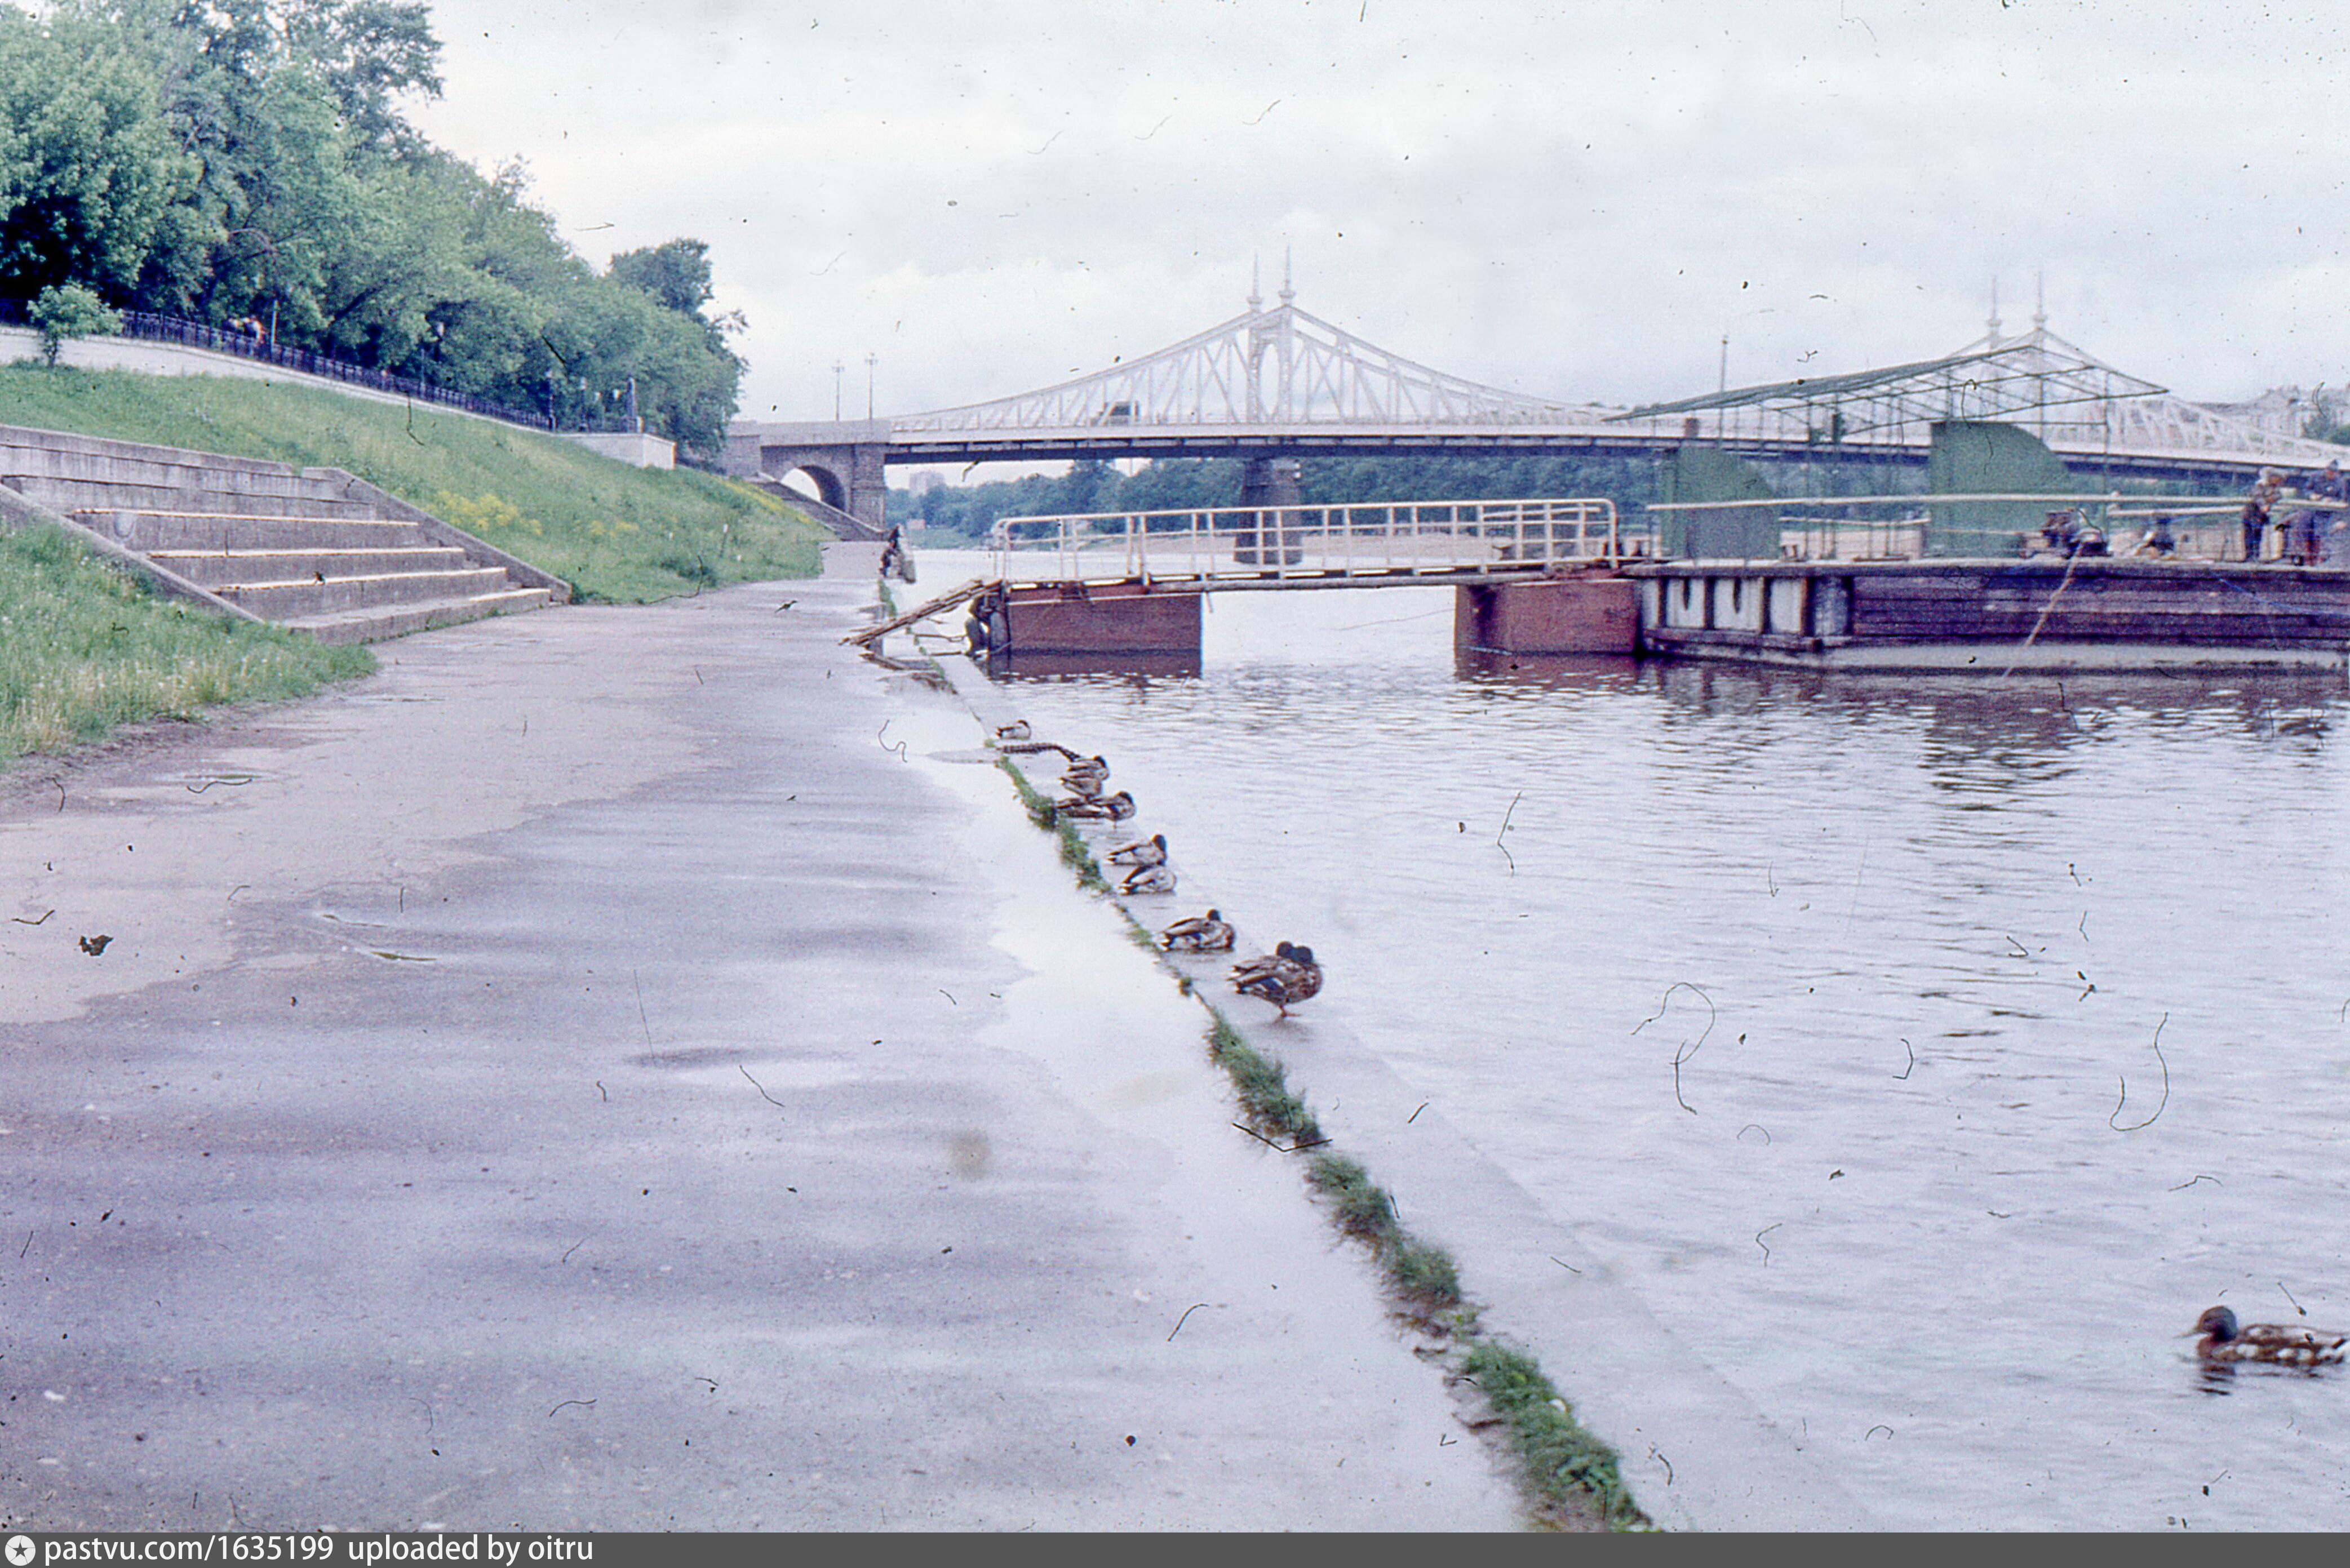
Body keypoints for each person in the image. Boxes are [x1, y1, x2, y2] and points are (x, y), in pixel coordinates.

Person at [2241, 471, 2284, 562]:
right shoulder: (2259, 486)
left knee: (2257, 536)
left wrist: (2268, 500)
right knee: (2249, 536)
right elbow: (2257, 497)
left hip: (2260, 517)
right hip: (2251, 514)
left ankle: (2256, 556)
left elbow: (2278, 496)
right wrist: (2264, 504)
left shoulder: (2274, 487)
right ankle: (2250, 556)